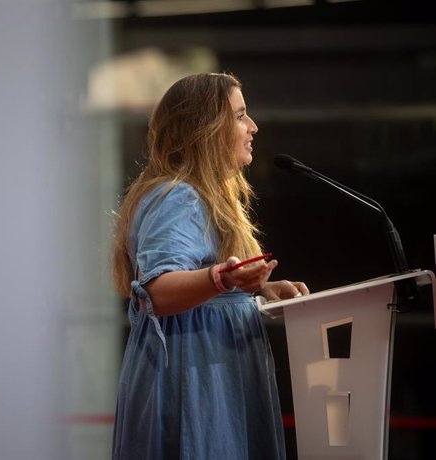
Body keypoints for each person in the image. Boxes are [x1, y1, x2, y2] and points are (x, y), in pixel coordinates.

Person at [110, 72, 309, 459]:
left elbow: (198, 279)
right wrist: (222, 279)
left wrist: (256, 289)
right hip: (196, 378)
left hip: (210, 371)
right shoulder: (179, 196)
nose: (253, 127)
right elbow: (158, 291)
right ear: (206, 129)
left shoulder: (195, 195)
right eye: (239, 116)